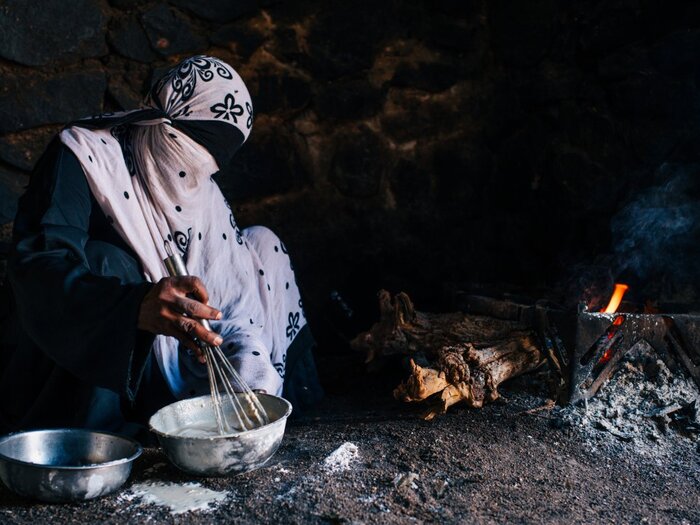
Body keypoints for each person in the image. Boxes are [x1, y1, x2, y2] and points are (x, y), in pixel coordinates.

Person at [0, 55, 322, 437]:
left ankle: (289, 403)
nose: (189, 181)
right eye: (184, 160)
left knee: (261, 243)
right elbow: (39, 265)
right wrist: (137, 306)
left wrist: (248, 369)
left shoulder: (205, 196)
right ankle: (99, 437)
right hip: (85, 356)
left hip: (175, 354)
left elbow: (232, 299)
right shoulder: (87, 155)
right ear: (158, 127)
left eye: (205, 171)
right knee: (109, 260)